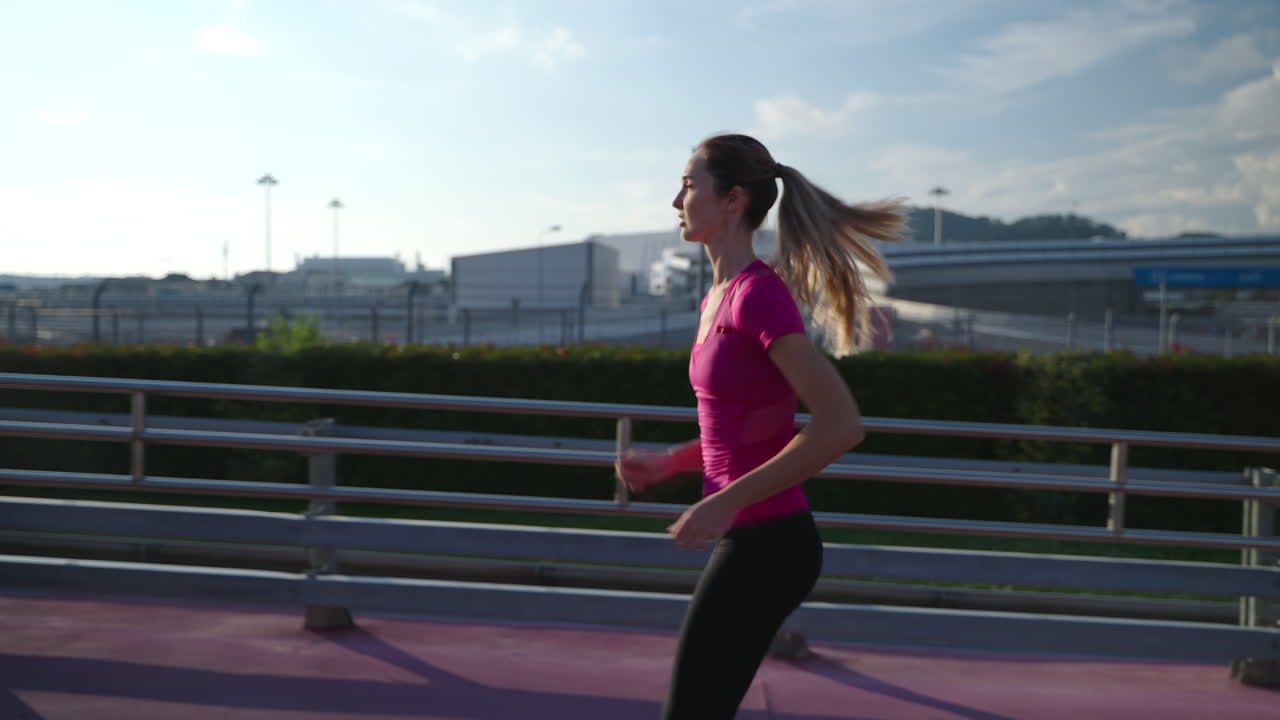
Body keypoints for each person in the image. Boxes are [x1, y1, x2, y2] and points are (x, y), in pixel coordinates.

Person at [615, 133, 906, 719]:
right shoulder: (716, 298)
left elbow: (840, 425)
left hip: (771, 543)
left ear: (732, 202)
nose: (676, 200)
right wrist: (671, 464)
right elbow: (745, 432)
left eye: (690, 184)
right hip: (754, 537)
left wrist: (725, 504)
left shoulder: (758, 297)